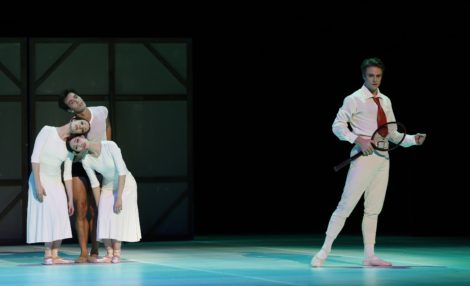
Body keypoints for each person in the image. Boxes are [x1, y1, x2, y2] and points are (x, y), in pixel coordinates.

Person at [311, 58, 427, 267]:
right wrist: (358, 139)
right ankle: (323, 251)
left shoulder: (386, 100)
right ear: (364, 76)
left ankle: (369, 256)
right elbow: (337, 125)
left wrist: (412, 140)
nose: (375, 79)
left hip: (383, 159)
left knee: (373, 209)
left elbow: (392, 133)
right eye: (371, 75)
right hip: (363, 158)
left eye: (378, 76)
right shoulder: (353, 99)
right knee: (346, 205)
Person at [67, 135, 141, 263]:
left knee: (117, 215)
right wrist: (99, 205)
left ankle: (117, 253)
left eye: (78, 141)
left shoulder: (110, 145)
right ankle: (109, 253)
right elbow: (95, 184)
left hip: (125, 183)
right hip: (107, 186)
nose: (80, 145)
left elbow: (121, 171)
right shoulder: (86, 160)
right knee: (103, 215)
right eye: (76, 148)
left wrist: (119, 197)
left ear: (82, 137)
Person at [27, 118, 90, 265]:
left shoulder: (70, 146)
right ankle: (48, 254)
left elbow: (67, 174)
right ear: (73, 119)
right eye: (81, 123)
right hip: (40, 177)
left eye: (83, 129)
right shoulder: (47, 130)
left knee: (60, 215)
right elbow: (35, 158)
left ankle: (55, 254)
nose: (80, 127)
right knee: (47, 215)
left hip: (56, 181)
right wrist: (38, 184)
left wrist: (70, 198)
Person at [58, 89, 112, 263]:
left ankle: (95, 249)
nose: (76, 100)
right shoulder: (74, 125)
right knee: (81, 207)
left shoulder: (101, 111)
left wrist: (107, 147)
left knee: (95, 209)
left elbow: (107, 125)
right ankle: (83, 252)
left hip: (98, 165)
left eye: (76, 97)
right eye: (71, 102)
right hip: (79, 166)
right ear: (69, 109)